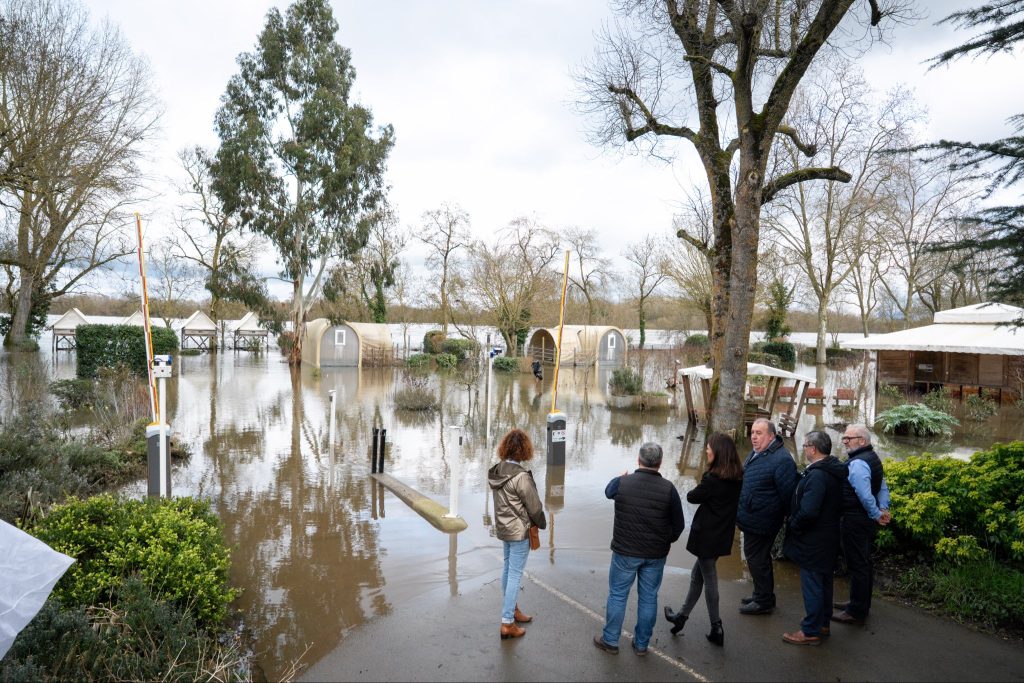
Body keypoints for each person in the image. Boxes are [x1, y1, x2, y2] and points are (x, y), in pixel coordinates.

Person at [594, 442, 684, 657]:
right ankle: (642, 645)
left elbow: (608, 491)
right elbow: (678, 525)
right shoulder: (669, 489)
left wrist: (620, 477)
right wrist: (666, 541)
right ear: (660, 463)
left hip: (624, 552)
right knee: (648, 598)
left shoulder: (622, 483)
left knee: (617, 595)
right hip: (655, 554)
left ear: (638, 460)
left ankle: (610, 640)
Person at [663, 432, 744, 647]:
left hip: (707, 536)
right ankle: (681, 617)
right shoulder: (737, 477)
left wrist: (701, 482)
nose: (706, 450)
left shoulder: (712, 479)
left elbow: (692, 497)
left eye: (708, 448)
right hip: (721, 535)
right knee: (697, 576)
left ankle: (716, 627)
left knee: (709, 581)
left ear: (717, 452)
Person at [781, 431, 847, 646]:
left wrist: (794, 524)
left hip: (815, 540)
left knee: (812, 585)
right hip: (828, 537)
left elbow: (809, 511)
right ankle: (822, 623)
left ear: (813, 448)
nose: (803, 448)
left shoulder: (818, 475)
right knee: (824, 582)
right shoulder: (830, 470)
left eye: (805, 445)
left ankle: (810, 631)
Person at [488, 429, 547, 640]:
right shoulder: (521, 476)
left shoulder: (497, 472)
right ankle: (507, 622)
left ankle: (511, 609)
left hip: (503, 529)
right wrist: (542, 523)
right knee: (514, 574)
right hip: (519, 531)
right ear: (524, 449)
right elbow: (535, 507)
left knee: (507, 570)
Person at [736, 418, 799, 615]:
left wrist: (784, 519)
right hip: (753, 517)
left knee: (758, 559)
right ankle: (762, 595)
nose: (753, 437)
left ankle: (763, 602)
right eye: (753, 432)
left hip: (763, 521)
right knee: (757, 558)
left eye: (759, 433)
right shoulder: (758, 453)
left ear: (771, 436)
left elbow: (788, 494)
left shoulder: (782, 460)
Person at [832, 423, 891, 626]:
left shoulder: (857, 463)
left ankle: (856, 611)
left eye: (849, 438)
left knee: (858, 564)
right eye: (845, 438)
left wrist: (876, 513)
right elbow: (883, 486)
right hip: (864, 520)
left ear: (862, 441)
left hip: (855, 519)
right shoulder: (873, 458)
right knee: (863, 562)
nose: (845, 441)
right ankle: (858, 603)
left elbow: (865, 496)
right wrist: (883, 508)